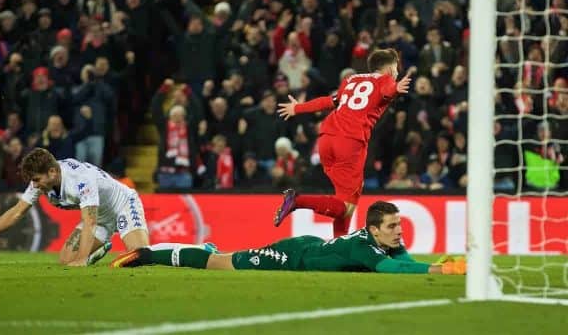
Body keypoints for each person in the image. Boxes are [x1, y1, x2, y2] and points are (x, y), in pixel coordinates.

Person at [110, 201, 465, 275]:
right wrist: (440, 272)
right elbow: (391, 270)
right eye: (393, 227)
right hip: (291, 257)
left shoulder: (384, 241)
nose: (400, 231)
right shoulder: (364, 245)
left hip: (309, 247)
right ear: (374, 229)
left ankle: (207, 249)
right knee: (221, 265)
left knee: (224, 256)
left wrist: (436, 265)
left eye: (399, 225)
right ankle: (147, 254)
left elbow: (402, 261)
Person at [274, 49, 413, 237]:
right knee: (346, 207)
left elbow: (330, 101)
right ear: (388, 68)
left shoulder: (351, 80)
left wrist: (298, 108)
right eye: (395, 68)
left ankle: (339, 244)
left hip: (326, 138)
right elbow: (388, 90)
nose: (396, 72)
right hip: (350, 142)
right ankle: (297, 201)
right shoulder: (386, 80)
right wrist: (396, 89)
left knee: (343, 201)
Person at [0, 148, 149, 267]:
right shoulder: (42, 182)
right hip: (100, 218)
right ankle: (98, 251)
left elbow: (90, 220)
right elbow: (16, 212)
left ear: (52, 172)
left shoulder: (80, 179)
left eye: (37, 180)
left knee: (140, 256)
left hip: (122, 205)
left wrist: (81, 260)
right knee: (65, 261)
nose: (35, 185)